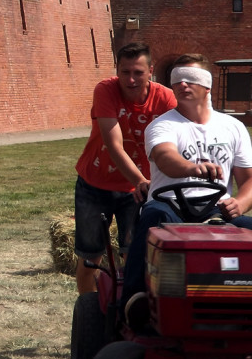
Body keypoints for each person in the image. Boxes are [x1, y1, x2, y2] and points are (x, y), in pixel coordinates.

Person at [121, 54, 252, 324]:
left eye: (191, 79)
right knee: (154, 217)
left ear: (207, 85)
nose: (182, 85)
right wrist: (191, 168)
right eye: (177, 80)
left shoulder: (233, 127)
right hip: (170, 207)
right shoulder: (162, 125)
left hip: (215, 210)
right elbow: (165, 157)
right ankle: (135, 299)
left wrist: (241, 203)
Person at [73, 42, 177, 295]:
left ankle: (127, 308)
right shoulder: (106, 90)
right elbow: (113, 144)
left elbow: (178, 140)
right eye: (125, 72)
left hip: (136, 191)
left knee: (135, 256)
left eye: (138, 72)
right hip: (96, 184)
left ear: (151, 70)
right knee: (90, 257)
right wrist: (142, 180)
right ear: (117, 70)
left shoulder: (164, 98)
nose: (130, 79)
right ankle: (91, 310)